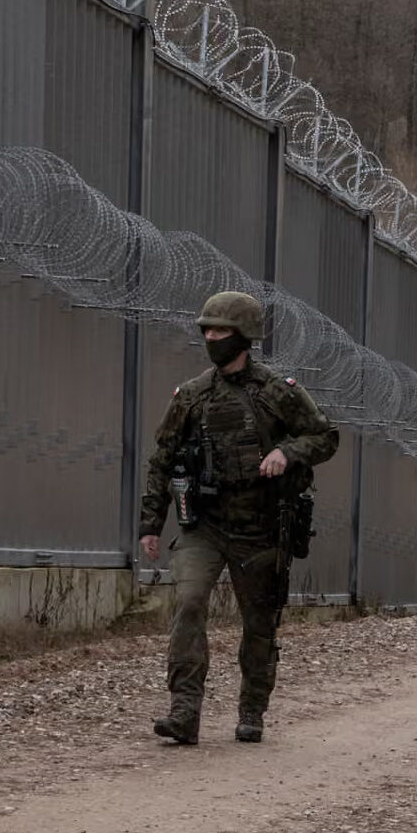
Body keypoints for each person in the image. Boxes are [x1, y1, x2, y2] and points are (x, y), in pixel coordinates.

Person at [139, 291, 339, 745]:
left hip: (260, 528)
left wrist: (287, 452)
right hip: (204, 525)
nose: (212, 337)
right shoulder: (192, 396)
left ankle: (252, 709)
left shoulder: (276, 392)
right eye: (207, 330)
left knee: (259, 622)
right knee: (189, 602)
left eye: (222, 330)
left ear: (244, 336)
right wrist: (151, 523)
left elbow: (325, 436)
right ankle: (184, 710)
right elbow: (162, 459)